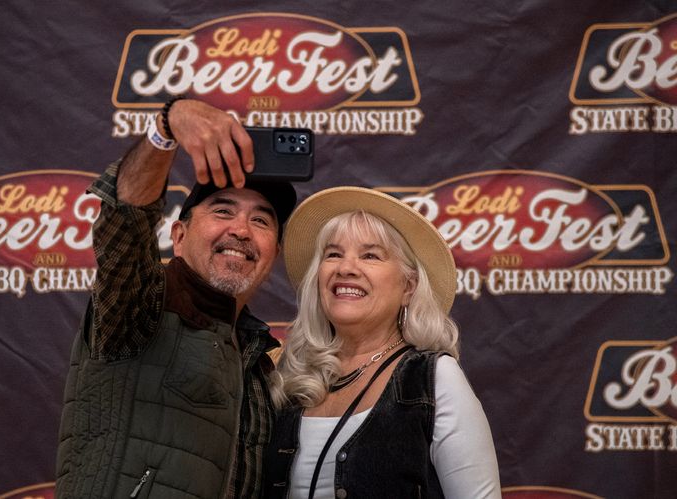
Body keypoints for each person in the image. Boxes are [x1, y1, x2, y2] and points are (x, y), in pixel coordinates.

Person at [55, 97, 297, 499]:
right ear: (179, 237)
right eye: (223, 211)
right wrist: (167, 127)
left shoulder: (261, 365)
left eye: (260, 220)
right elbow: (125, 223)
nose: (241, 230)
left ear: (273, 253)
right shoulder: (144, 302)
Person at [263, 187, 501, 498]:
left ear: (409, 286)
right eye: (333, 254)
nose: (346, 268)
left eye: (370, 255)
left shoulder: (433, 379)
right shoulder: (292, 379)